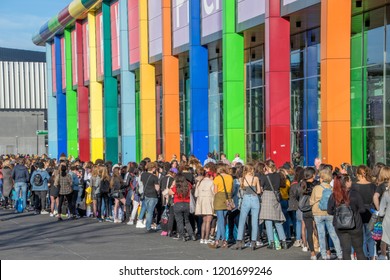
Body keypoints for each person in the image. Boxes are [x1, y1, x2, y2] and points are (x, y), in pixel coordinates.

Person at [327, 174, 366, 260]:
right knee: (359, 250)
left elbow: (329, 211)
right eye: (350, 180)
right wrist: (353, 212)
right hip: (355, 225)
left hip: (340, 226)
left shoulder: (334, 196)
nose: (351, 182)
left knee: (345, 250)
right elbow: (362, 209)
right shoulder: (355, 194)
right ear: (346, 183)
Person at [310, 169, 342, 260]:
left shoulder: (316, 188)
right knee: (333, 234)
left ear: (322, 177)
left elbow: (311, 201)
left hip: (318, 213)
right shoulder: (332, 189)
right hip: (329, 213)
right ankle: (339, 254)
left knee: (321, 234)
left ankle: (323, 255)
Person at [231, 164, 261, 250]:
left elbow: (241, 189)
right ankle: (253, 242)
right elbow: (258, 191)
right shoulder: (255, 178)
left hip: (246, 198)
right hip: (255, 199)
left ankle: (239, 242)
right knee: (254, 221)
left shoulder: (241, 179)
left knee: (242, 221)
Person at [259, 159, 287, 250]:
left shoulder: (265, 177)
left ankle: (271, 242)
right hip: (276, 196)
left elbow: (261, 187)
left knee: (268, 221)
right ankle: (284, 241)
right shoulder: (278, 176)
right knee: (277, 220)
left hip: (267, 196)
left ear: (266, 167)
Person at [352, 165, 376, 259]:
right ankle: (372, 256)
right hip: (370, 211)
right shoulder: (373, 185)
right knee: (370, 237)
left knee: (362, 237)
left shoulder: (354, 186)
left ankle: (364, 257)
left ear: (358, 174)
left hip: (358, 212)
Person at [208, 164, 233, 249]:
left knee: (220, 220)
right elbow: (231, 189)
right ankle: (217, 240)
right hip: (228, 198)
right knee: (222, 220)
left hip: (219, 198)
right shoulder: (230, 177)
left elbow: (215, 191)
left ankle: (224, 240)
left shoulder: (217, 178)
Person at [298, 167, 319, 259]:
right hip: (315, 208)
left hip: (306, 210)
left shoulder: (302, 184)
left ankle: (312, 253)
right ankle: (325, 248)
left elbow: (299, 195)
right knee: (318, 229)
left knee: (309, 231)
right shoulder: (316, 184)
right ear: (313, 174)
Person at [168, 174, 196, 241]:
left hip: (177, 204)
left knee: (179, 221)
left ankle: (182, 236)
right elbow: (192, 189)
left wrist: (172, 185)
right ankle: (192, 235)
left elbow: (170, 192)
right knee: (187, 221)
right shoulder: (188, 185)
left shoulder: (176, 186)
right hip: (187, 204)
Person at [136, 162, 160, 232]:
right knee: (150, 211)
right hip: (153, 195)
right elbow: (157, 188)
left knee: (147, 210)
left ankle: (147, 225)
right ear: (153, 168)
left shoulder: (143, 175)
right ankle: (148, 227)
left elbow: (142, 183)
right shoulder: (154, 177)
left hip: (146, 194)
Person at [194, 169, 215, 244]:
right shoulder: (212, 182)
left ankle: (202, 238)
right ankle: (206, 238)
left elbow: (196, 194)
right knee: (208, 221)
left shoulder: (199, 182)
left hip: (201, 202)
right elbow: (214, 193)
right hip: (209, 201)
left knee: (204, 221)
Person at [376, 166, 390, 260]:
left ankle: (384, 257)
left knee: (384, 241)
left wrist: (379, 212)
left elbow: (381, 212)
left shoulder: (385, 193)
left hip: (387, 221)